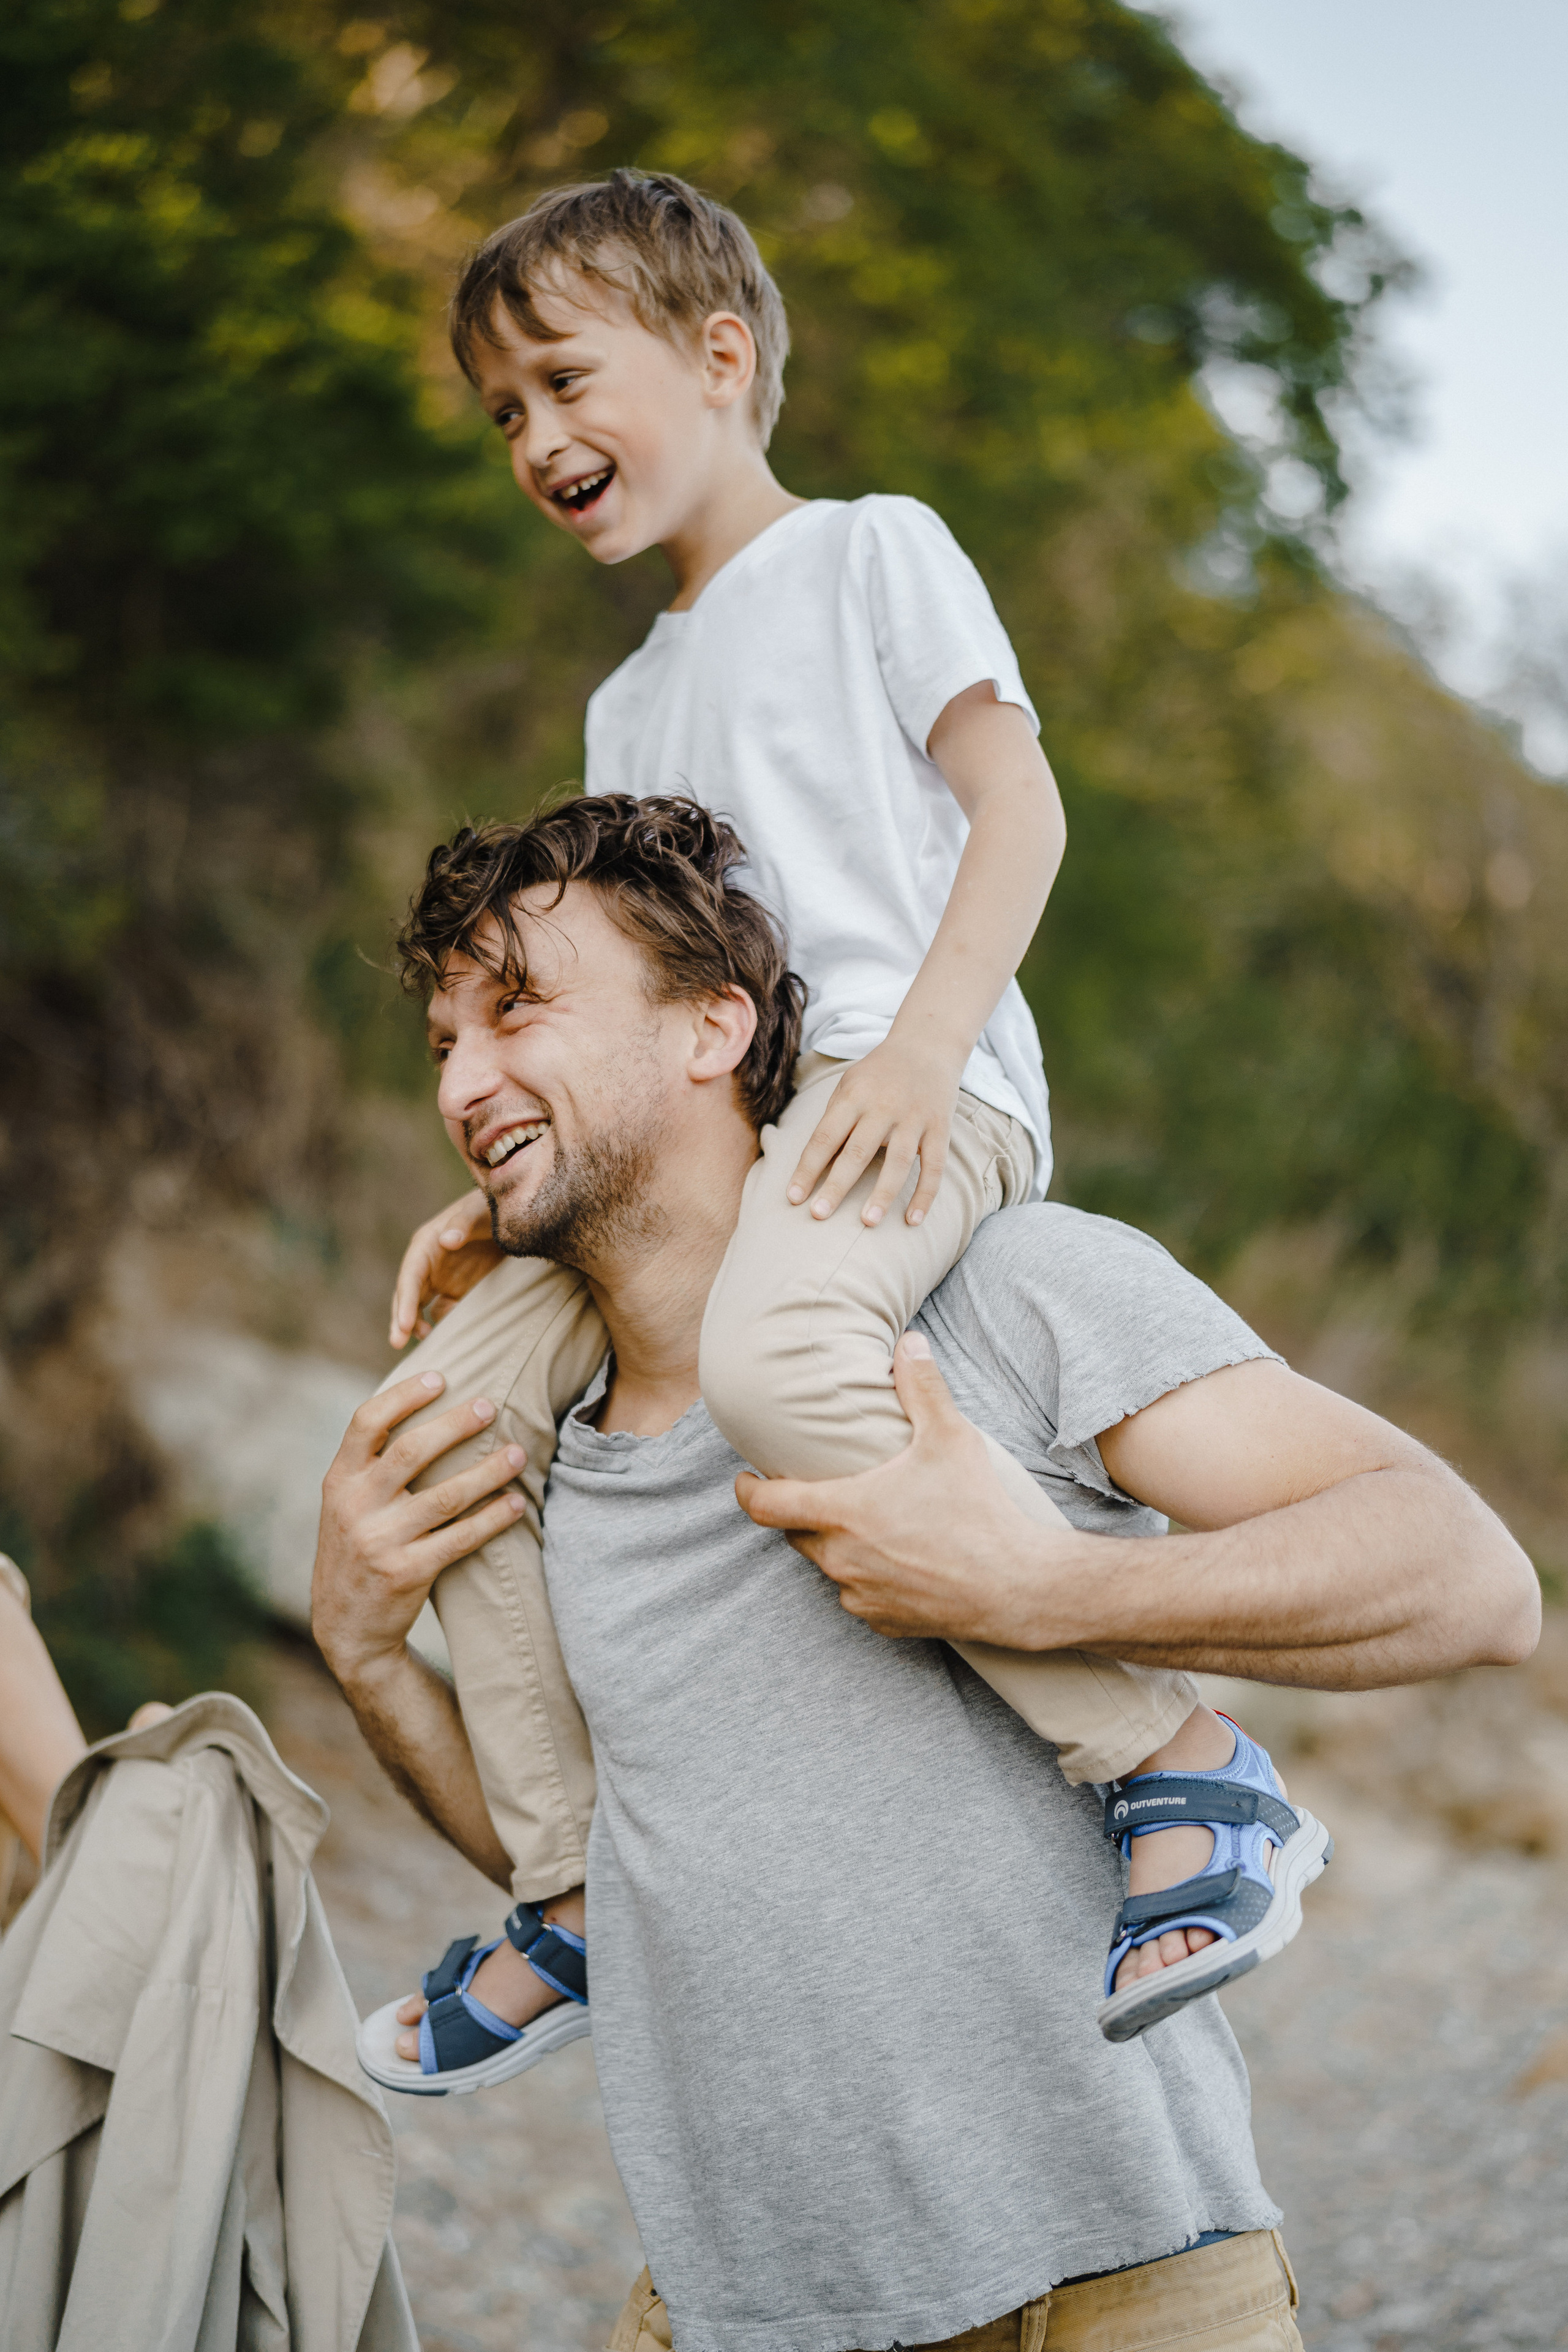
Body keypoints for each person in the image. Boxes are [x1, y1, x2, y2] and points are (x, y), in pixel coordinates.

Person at [311, 814, 1536, 2352]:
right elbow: (617, 1902)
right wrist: (365, 1658)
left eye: (516, 1009)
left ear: (714, 1023)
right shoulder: (529, 1461)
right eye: (439, 1042)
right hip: (730, 2316)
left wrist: (1046, 1590)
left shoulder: (1003, 1292)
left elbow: (1471, 1581)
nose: (458, 1085)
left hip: (1127, 2298)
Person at [361, 168, 1317, 2082]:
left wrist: (921, 1051)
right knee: (442, 1415)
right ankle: (568, 1897)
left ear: (722, 359)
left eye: (565, 379)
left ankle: (1187, 1769)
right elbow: (634, 1022)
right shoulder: (627, 694)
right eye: (506, 414)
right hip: (726, 1151)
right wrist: (512, 1192)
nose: (538, 437)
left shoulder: (877, 550)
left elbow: (1019, 810)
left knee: (788, 1362)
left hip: (913, 1095)